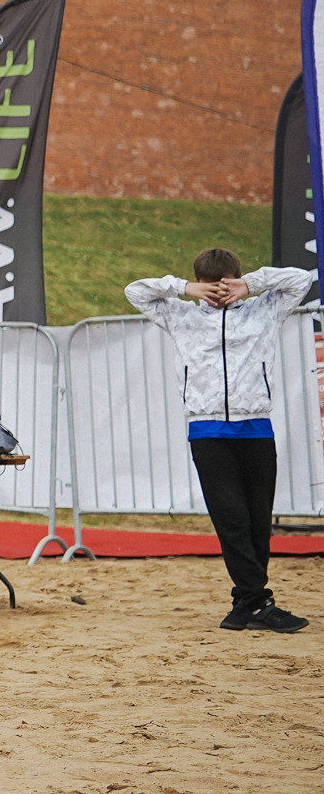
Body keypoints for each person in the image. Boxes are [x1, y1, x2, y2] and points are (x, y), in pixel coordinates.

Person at [126, 250, 317, 633]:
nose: (221, 294)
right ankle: (259, 602)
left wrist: (252, 284)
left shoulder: (263, 310)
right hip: (207, 432)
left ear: (238, 280)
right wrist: (183, 288)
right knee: (232, 520)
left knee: (258, 523)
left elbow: (303, 278)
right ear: (199, 283)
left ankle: (246, 603)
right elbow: (136, 291)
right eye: (213, 287)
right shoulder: (181, 316)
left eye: (227, 286)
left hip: (257, 429)